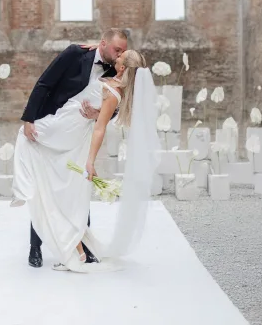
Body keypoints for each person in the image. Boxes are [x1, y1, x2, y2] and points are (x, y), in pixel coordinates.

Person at [12, 48, 161, 273]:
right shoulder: (111, 78)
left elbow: (100, 128)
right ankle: (77, 250)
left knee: (28, 141)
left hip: (71, 130)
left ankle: (23, 192)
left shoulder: (114, 93)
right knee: (55, 182)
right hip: (65, 119)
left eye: (120, 56)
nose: (116, 57)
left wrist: (90, 161)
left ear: (122, 68)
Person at [18, 28, 128, 268]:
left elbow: (115, 107)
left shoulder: (116, 69)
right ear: (103, 43)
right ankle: (35, 248)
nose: (120, 54)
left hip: (81, 135)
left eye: (123, 51)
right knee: (45, 186)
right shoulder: (74, 54)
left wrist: (99, 114)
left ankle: (83, 247)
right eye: (117, 49)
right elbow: (44, 83)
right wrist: (29, 120)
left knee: (78, 187)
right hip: (53, 128)